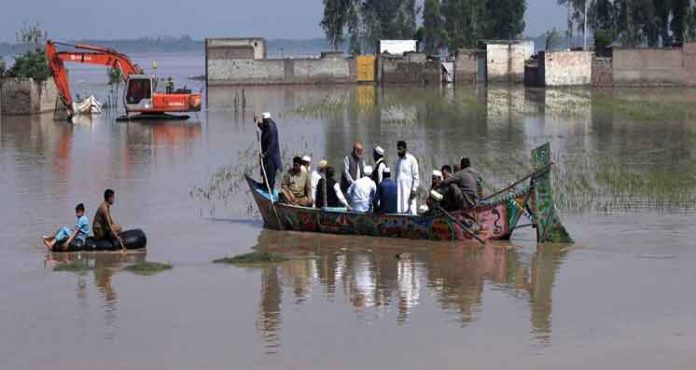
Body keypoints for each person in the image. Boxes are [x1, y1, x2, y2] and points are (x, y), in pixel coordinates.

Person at [257, 112, 282, 191]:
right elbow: (263, 128)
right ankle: (265, 188)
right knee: (265, 176)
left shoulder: (271, 128)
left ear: (266, 120)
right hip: (267, 157)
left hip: (272, 158)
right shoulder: (267, 126)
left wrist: (265, 154)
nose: (263, 122)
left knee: (270, 178)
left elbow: (272, 144)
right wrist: (257, 123)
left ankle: (269, 192)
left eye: (264, 121)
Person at [394, 140, 419, 214]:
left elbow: (416, 176)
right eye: (398, 149)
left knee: (411, 209)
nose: (398, 151)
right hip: (399, 190)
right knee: (400, 208)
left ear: (405, 149)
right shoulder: (398, 161)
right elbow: (396, 177)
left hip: (409, 190)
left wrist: (414, 189)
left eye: (400, 149)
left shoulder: (412, 159)